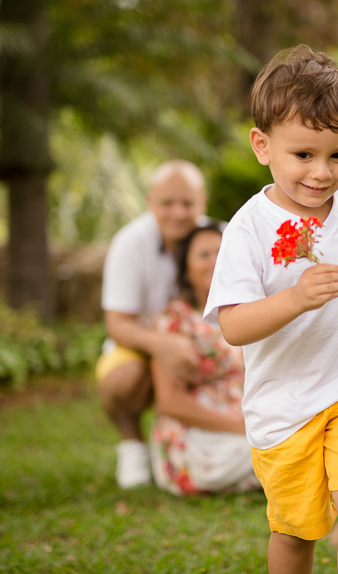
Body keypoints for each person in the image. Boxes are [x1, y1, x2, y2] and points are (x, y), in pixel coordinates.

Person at [203, 45, 338, 574]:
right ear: (262, 146)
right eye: (304, 155)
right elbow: (232, 325)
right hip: (285, 406)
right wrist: (294, 298)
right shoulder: (248, 229)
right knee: (296, 530)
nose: (322, 173)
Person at [98, 160, 208, 488]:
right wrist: (164, 345)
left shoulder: (218, 235)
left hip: (207, 342)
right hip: (142, 346)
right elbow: (117, 324)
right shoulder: (129, 243)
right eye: (167, 203)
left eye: (187, 203)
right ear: (150, 202)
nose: (177, 212)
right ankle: (132, 445)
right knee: (123, 379)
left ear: (202, 202)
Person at [148, 222, 260, 495]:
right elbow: (169, 401)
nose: (214, 261)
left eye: (221, 253)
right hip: (201, 436)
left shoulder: (251, 310)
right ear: (185, 269)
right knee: (285, 450)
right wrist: (240, 428)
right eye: (203, 255)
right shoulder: (173, 319)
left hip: (250, 423)